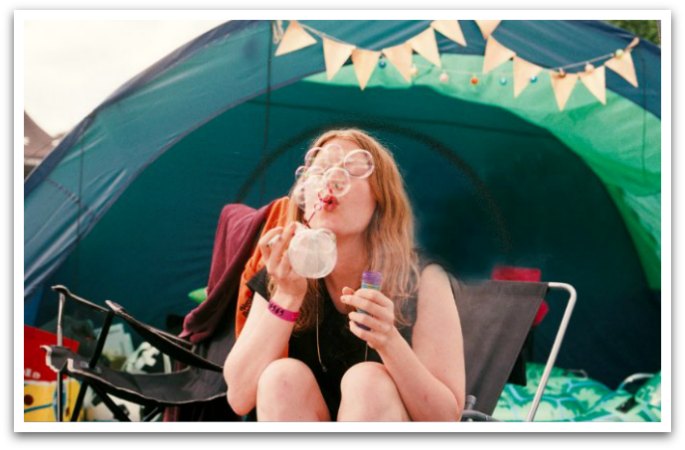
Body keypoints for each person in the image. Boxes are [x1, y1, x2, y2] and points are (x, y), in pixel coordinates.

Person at [223, 128, 465, 421]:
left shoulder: (424, 278)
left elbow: (445, 418)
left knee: (367, 381)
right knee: (280, 377)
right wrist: (287, 296)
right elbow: (238, 397)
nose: (332, 180)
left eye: (351, 170)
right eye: (320, 170)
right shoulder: (284, 273)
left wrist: (389, 341)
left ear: (381, 200)